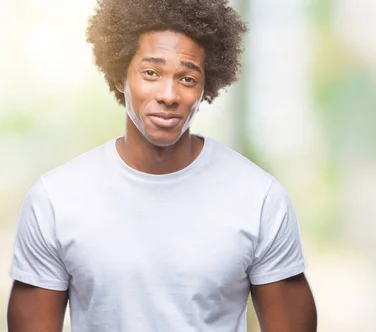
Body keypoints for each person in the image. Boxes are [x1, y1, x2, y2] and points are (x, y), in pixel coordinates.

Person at [6, 0, 317, 331]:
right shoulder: (55, 200)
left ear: (205, 87)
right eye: (151, 73)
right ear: (118, 77)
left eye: (186, 78)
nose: (169, 94)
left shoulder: (260, 199)